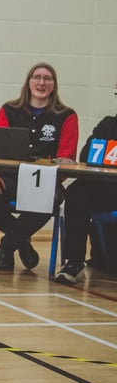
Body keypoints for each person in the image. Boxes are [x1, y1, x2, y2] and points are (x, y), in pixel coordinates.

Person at [0, 63, 78, 271]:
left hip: (46, 182)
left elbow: (66, 157)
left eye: (47, 78)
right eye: (37, 77)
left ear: (53, 85)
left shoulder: (66, 115)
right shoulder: (9, 110)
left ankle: (8, 245)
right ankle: (21, 242)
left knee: (48, 200)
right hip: (10, 178)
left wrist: (51, 181)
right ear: (28, 82)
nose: (41, 82)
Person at [55, 102, 117, 283]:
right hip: (110, 189)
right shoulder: (109, 125)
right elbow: (86, 156)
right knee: (77, 191)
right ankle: (74, 262)